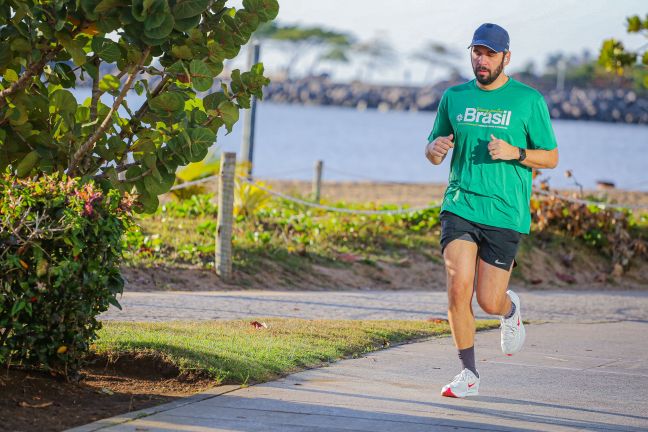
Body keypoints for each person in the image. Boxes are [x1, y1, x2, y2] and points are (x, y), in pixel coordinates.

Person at [424, 23, 559, 398]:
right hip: (460, 204)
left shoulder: (528, 100)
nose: (481, 60)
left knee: (488, 300)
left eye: (489, 54)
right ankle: (468, 373)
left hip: (504, 213)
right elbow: (434, 145)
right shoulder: (453, 97)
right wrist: (433, 150)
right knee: (457, 287)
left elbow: (550, 156)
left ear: (506, 58)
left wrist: (515, 152)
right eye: (476, 52)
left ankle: (509, 310)